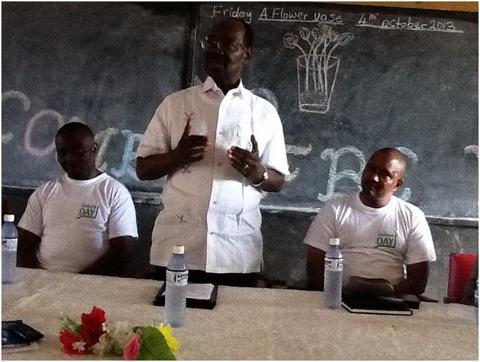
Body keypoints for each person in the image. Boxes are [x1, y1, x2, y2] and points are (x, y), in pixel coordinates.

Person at [136, 17, 289, 286]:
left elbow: (278, 180)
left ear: (247, 54)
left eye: (228, 43)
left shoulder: (264, 112)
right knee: (171, 326)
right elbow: (143, 169)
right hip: (178, 248)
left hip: (237, 253)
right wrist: (177, 156)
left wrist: (258, 173)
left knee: (233, 328)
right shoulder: (176, 104)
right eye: (211, 42)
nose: (216, 49)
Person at [304, 147, 436, 296]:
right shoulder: (335, 209)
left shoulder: (412, 216)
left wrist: (384, 296)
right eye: (371, 169)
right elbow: (314, 270)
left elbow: (418, 280)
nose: (374, 177)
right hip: (340, 301)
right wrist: (341, 296)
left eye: (384, 174)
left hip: (392, 303)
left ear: (397, 184)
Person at [17, 122, 138, 276]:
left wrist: (78, 280)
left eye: (79, 151)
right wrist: (37, 277)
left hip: (92, 282)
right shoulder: (44, 192)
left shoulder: (114, 192)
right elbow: (24, 244)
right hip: (44, 280)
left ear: (94, 149)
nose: (71, 158)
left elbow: (124, 252)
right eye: (63, 152)